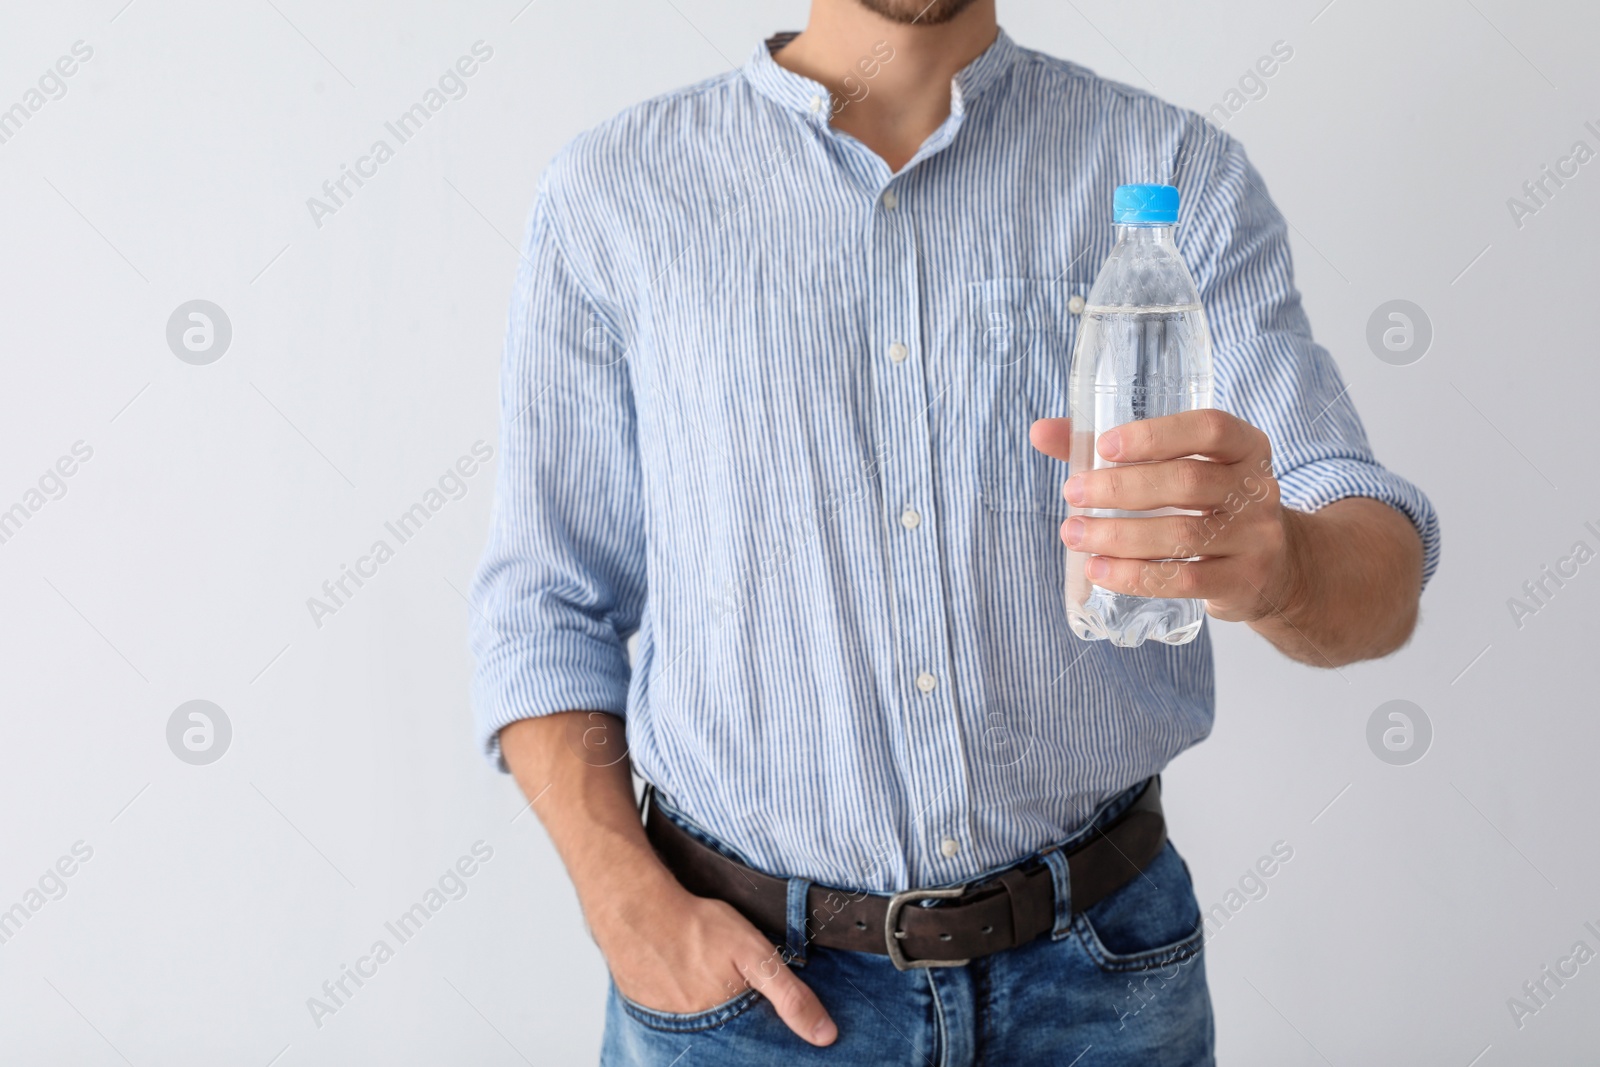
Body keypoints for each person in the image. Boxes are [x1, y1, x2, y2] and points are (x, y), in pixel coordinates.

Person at [468, 0, 1439, 1062]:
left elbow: (1371, 560)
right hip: (745, 1004)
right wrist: (626, 905)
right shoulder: (613, 192)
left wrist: (1286, 564)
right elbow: (546, 603)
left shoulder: (1171, 172)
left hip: (1101, 991)